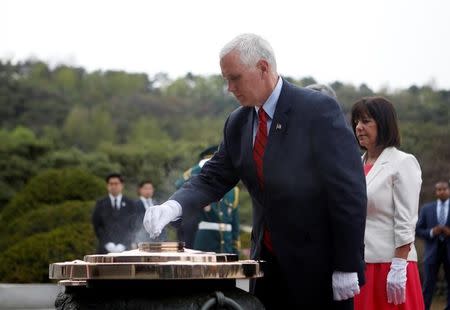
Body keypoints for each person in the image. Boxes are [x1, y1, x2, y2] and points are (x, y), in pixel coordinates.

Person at [143, 33, 367, 309]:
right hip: (267, 267)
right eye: (226, 79)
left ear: (263, 67)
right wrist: (173, 206)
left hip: (319, 267)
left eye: (235, 78)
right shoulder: (237, 122)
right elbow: (213, 177)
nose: (229, 88)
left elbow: (348, 191)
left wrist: (347, 264)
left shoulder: (316, 110)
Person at [351, 96, 424, 310]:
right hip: (360, 265)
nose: (359, 127)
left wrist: (399, 265)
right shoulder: (355, 164)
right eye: (356, 122)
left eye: (366, 121)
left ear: (383, 124)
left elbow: (406, 218)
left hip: (390, 265)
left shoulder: (403, 162)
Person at [175, 146, 241, 254]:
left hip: (226, 246)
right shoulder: (201, 187)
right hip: (205, 242)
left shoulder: (233, 191)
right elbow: (180, 185)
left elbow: (235, 224)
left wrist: (235, 251)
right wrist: (200, 168)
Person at [416, 181, 450, 310]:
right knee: (428, 285)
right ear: (435, 192)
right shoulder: (427, 208)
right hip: (432, 252)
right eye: (439, 189)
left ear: (449, 190)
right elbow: (418, 229)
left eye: (444, 189)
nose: (441, 191)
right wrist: (431, 232)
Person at [92, 173, 138, 254]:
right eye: (111, 184)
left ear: (122, 185)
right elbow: (97, 226)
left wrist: (124, 244)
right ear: (107, 186)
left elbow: (133, 225)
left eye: (116, 184)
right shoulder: (100, 203)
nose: (113, 186)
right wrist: (107, 243)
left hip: (125, 249)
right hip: (104, 249)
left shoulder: (130, 203)